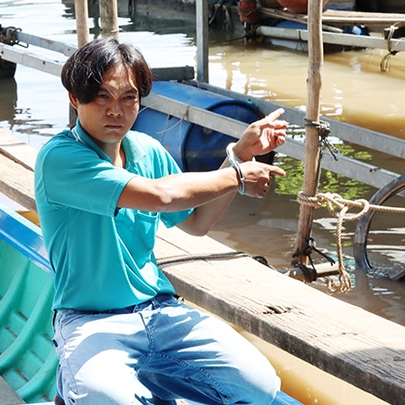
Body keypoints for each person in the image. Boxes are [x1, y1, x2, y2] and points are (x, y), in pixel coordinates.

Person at [35, 37, 287, 405]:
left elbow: (197, 222)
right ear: (76, 98)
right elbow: (162, 196)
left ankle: (154, 382)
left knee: (260, 385)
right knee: (106, 399)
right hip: (89, 320)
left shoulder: (147, 150)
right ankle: (72, 385)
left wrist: (238, 154)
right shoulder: (60, 158)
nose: (116, 111)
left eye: (128, 98)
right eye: (102, 96)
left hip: (160, 311)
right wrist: (238, 176)